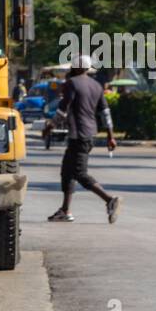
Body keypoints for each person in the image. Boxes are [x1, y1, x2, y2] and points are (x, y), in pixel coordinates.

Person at [44, 54, 121, 224]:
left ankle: (109, 200)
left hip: (79, 135)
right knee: (67, 172)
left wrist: (50, 126)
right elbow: (105, 113)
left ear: (77, 68)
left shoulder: (71, 83)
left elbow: (63, 110)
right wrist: (111, 136)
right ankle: (65, 210)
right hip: (88, 134)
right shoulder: (96, 86)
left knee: (79, 173)